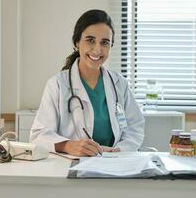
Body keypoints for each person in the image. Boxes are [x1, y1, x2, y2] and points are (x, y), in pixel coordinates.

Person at [30, 9, 144, 156]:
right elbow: (38, 135)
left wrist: (119, 150)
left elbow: (135, 127)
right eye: (90, 40)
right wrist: (68, 146)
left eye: (105, 42)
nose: (97, 49)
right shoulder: (58, 85)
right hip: (72, 165)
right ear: (77, 42)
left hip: (113, 162)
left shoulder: (119, 83)